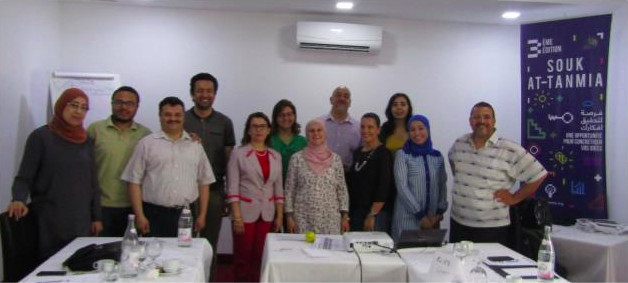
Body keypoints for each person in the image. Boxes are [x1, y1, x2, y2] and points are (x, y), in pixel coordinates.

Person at [6, 88, 103, 260]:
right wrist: (18, 198)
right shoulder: (41, 137)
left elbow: (92, 183)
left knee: (79, 266)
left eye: (83, 107)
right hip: (49, 219)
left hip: (81, 220)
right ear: (60, 106)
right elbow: (24, 175)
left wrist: (96, 217)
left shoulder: (86, 140)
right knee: (51, 266)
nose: (78, 111)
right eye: (74, 105)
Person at [448, 101, 547, 245]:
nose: (481, 121)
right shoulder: (459, 143)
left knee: (488, 267)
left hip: (492, 228)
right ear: (470, 121)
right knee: (459, 265)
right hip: (459, 222)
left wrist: (514, 198)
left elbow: (539, 174)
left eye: (486, 117)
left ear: (494, 121)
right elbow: (453, 162)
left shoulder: (509, 149)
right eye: (477, 117)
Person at [121, 96, 215, 237]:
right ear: (160, 116)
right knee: (153, 256)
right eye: (167, 114)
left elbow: (204, 182)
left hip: (186, 215)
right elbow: (134, 181)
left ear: (184, 117)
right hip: (153, 214)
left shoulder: (195, 145)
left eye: (177, 115)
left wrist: (202, 215)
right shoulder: (146, 144)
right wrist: (140, 215)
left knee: (184, 256)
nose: (173, 118)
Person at [226, 112, 284, 282]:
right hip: (244, 214)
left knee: (262, 254)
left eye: (262, 126)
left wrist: (279, 215)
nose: (259, 130)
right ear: (248, 130)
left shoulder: (276, 155)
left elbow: (278, 188)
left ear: (269, 130)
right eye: (254, 126)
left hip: (267, 213)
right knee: (243, 256)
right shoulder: (239, 154)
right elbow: (232, 187)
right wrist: (237, 217)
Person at [183, 73, 236, 258]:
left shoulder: (224, 122)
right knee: (183, 243)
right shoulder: (180, 119)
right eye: (200, 91)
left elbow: (230, 162)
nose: (205, 95)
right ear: (192, 94)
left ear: (215, 94)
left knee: (209, 246)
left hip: (214, 192)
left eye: (209, 91)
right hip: (184, 193)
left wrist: (228, 195)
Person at [87, 86, 151, 236]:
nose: (124, 107)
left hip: (135, 207)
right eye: (119, 102)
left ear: (137, 106)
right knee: (103, 256)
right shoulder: (95, 130)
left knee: (132, 255)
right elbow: (85, 170)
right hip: (102, 207)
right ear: (112, 103)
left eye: (130, 103)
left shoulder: (145, 134)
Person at [284, 120, 349, 235]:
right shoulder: (296, 159)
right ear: (306, 134)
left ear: (325, 133)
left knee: (329, 251)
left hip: (330, 219)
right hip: (303, 218)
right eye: (311, 131)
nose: (316, 134)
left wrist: (345, 216)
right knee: (303, 250)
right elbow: (289, 190)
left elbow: (342, 189)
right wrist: (289, 217)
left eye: (319, 130)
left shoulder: (335, 159)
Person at [391, 115, 448, 243]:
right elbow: (402, 187)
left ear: (428, 130)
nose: (417, 133)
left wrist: (439, 212)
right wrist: (420, 216)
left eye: (421, 128)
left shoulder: (437, 156)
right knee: (405, 256)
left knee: (428, 258)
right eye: (412, 130)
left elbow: (442, 185)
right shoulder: (403, 155)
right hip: (407, 217)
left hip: (432, 219)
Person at [347, 113, 392, 232]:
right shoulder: (357, 153)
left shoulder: (384, 154)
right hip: (356, 213)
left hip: (375, 215)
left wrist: (372, 215)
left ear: (378, 130)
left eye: (370, 127)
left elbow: (384, 187)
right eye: (362, 127)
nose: (365, 130)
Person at [378, 93, 414, 233]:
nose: (399, 108)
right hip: (388, 184)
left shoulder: (415, 128)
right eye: (395, 104)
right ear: (390, 108)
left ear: (408, 108)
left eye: (403, 104)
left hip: (410, 184)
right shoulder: (385, 130)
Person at [320, 86, 361, 171]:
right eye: (338, 95)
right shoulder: (318, 123)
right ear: (331, 99)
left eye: (346, 96)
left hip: (349, 177)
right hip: (321, 175)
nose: (342, 98)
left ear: (350, 102)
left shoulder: (359, 127)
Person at [270, 99, 307, 181]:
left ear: (294, 116)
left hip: (298, 188)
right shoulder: (268, 141)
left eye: (289, 114)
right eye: (281, 115)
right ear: (275, 118)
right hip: (273, 188)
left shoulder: (304, 142)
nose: (286, 118)